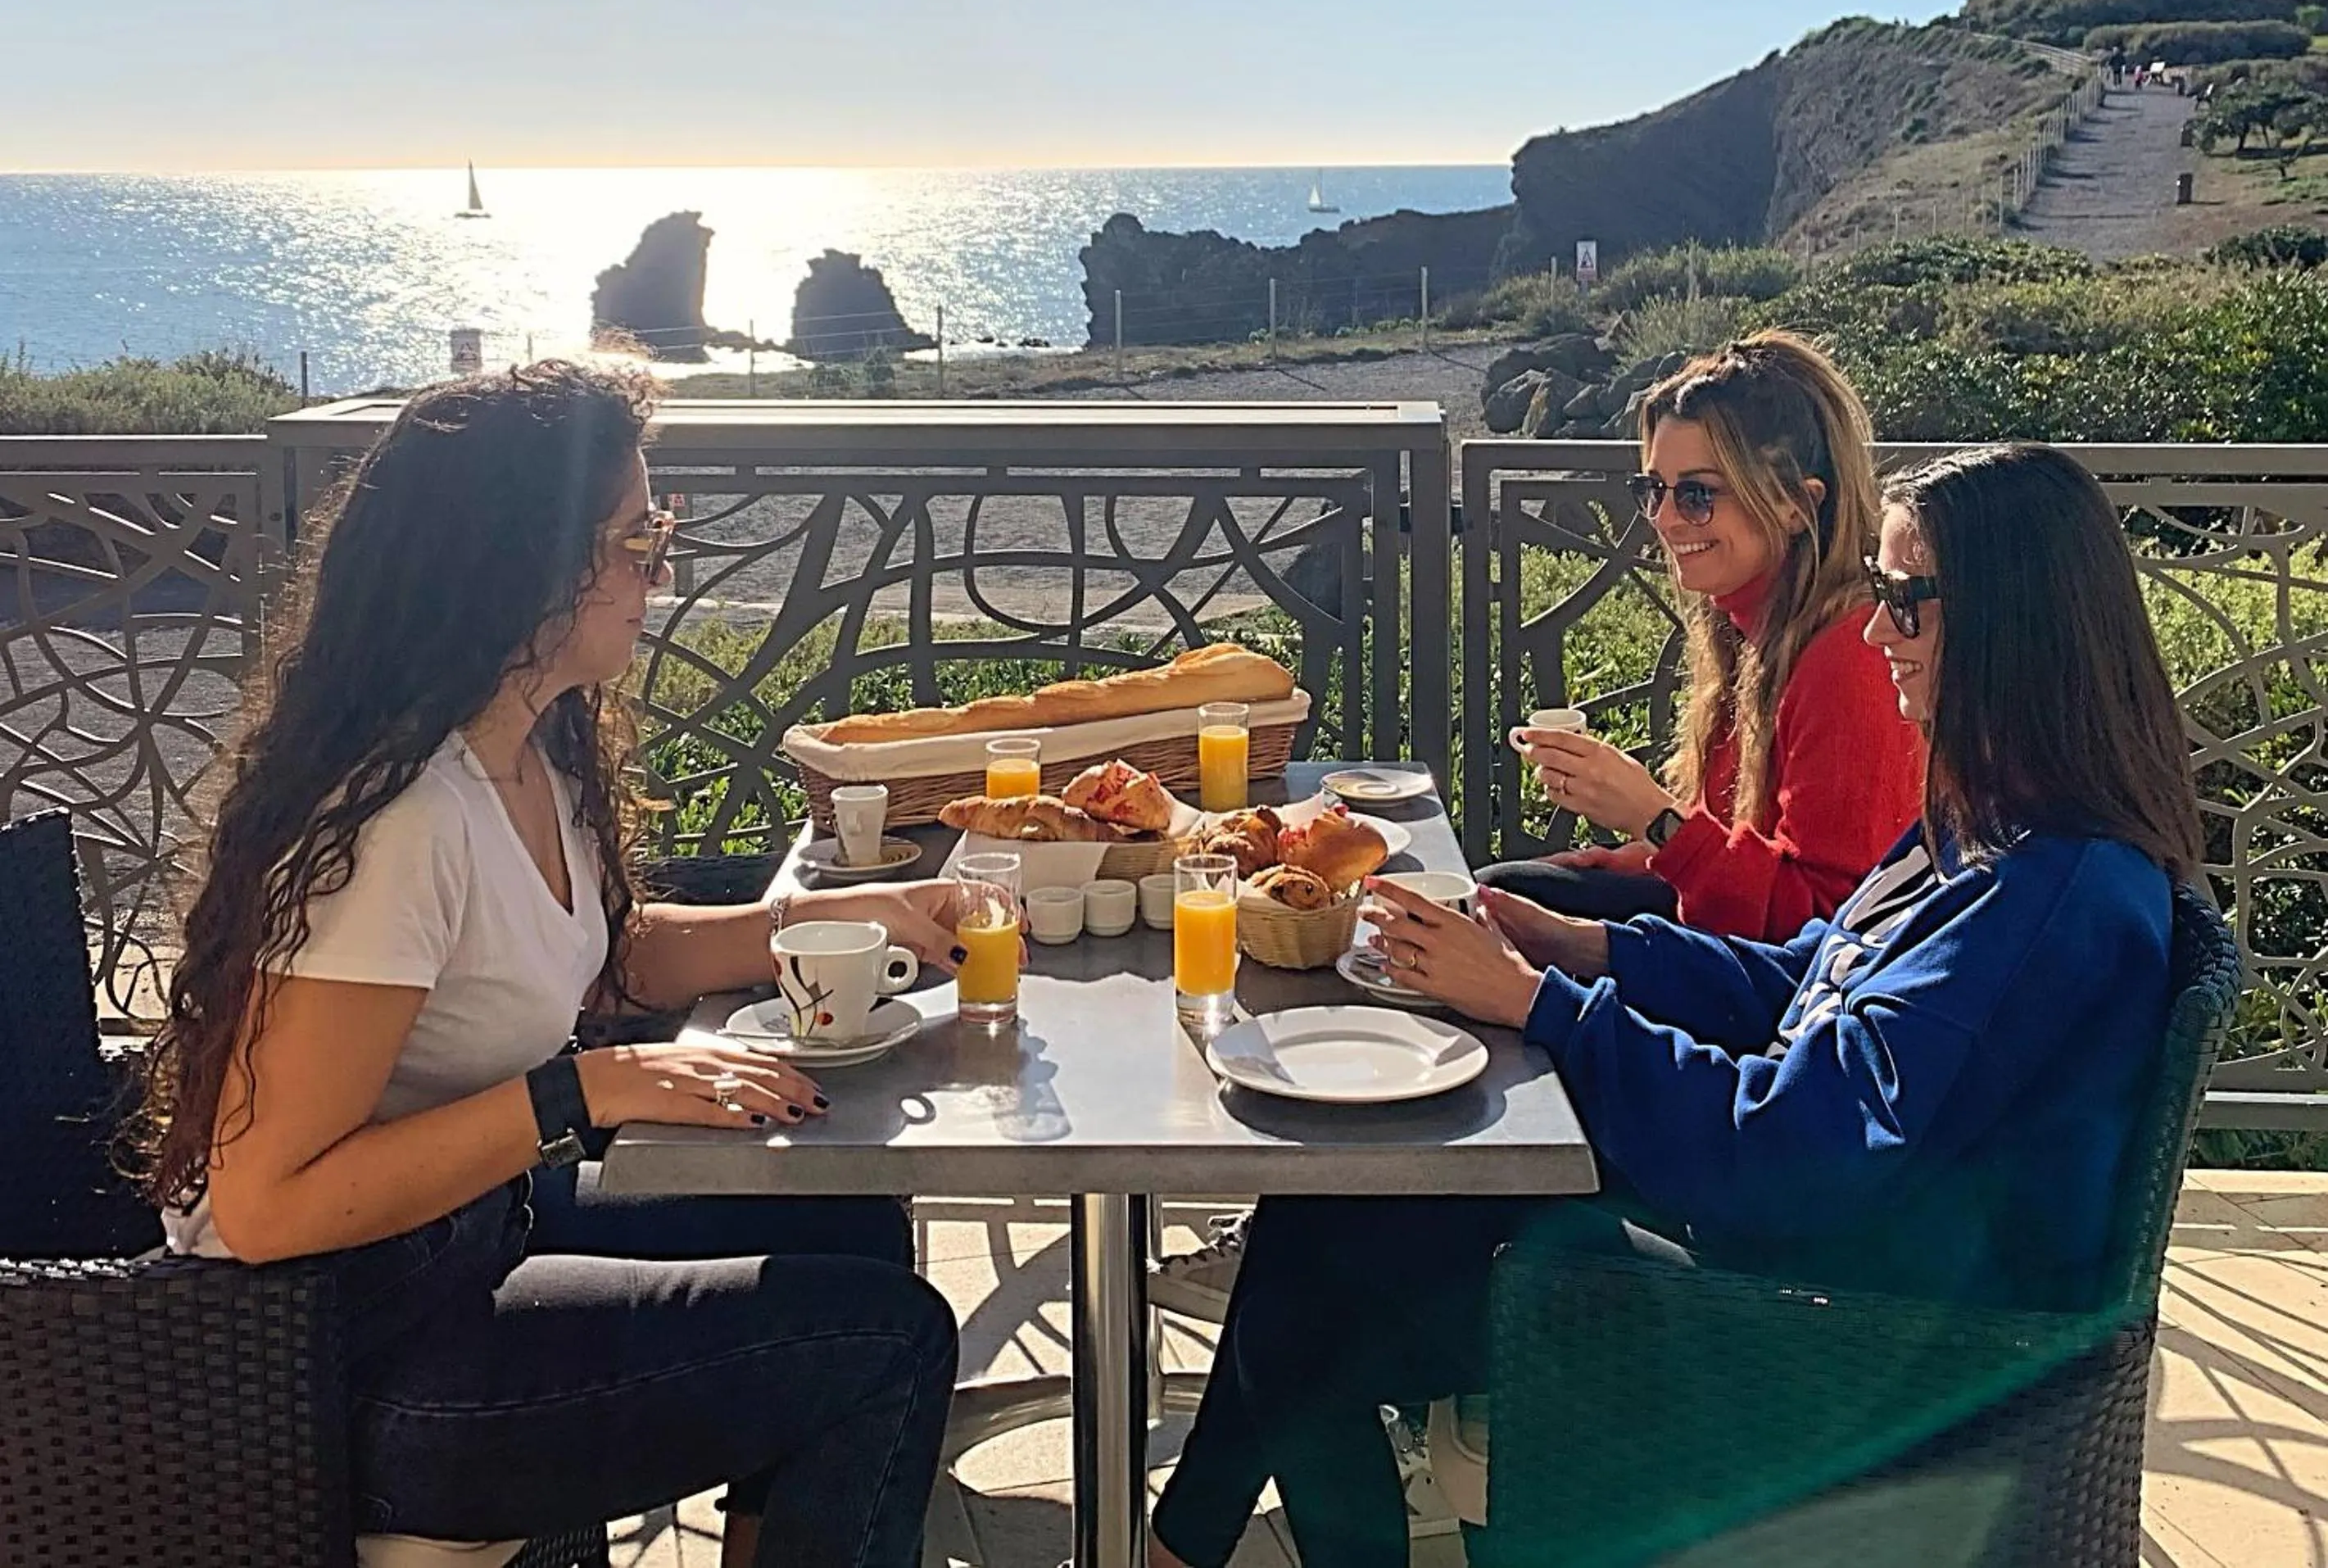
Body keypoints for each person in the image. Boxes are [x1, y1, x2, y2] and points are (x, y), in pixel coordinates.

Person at [1148, 442, 2204, 1568]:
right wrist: (1585, 947)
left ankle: (1192, 1542)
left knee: (1323, 1287)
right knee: (1333, 1220)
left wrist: (1545, 1007)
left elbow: (1798, 1146)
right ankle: (1192, 1544)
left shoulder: (2046, 902)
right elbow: (1803, 975)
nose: (1874, 627)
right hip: (1820, 1255)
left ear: (2012, 622)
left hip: (1840, 1338)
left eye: (1903, 599)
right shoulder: (1994, 825)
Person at [137, 362, 962, 1568]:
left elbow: (598, 958)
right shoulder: (397, 818)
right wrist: (576, 1094)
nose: (661, 570)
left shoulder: (522, 745)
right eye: (639, 536)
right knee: (886, 1338)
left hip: (461, 1241)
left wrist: (851, 914)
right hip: (342, 1356)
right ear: (520, 560)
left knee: (846, 1221)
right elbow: (267, 1205)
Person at [1483, 332, 1924, 941]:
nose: (1665, 518)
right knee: (1498, 896)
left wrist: (1657, 822)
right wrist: (1651, 860)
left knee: (1490, 923)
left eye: (1697, 494)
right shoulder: (1749, 625)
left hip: (1783, 1000)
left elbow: (1831, 927)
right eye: (1652, 490)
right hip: (1729, 950)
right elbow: (1748, 848)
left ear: (1797, 504)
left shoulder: (1852, 658)